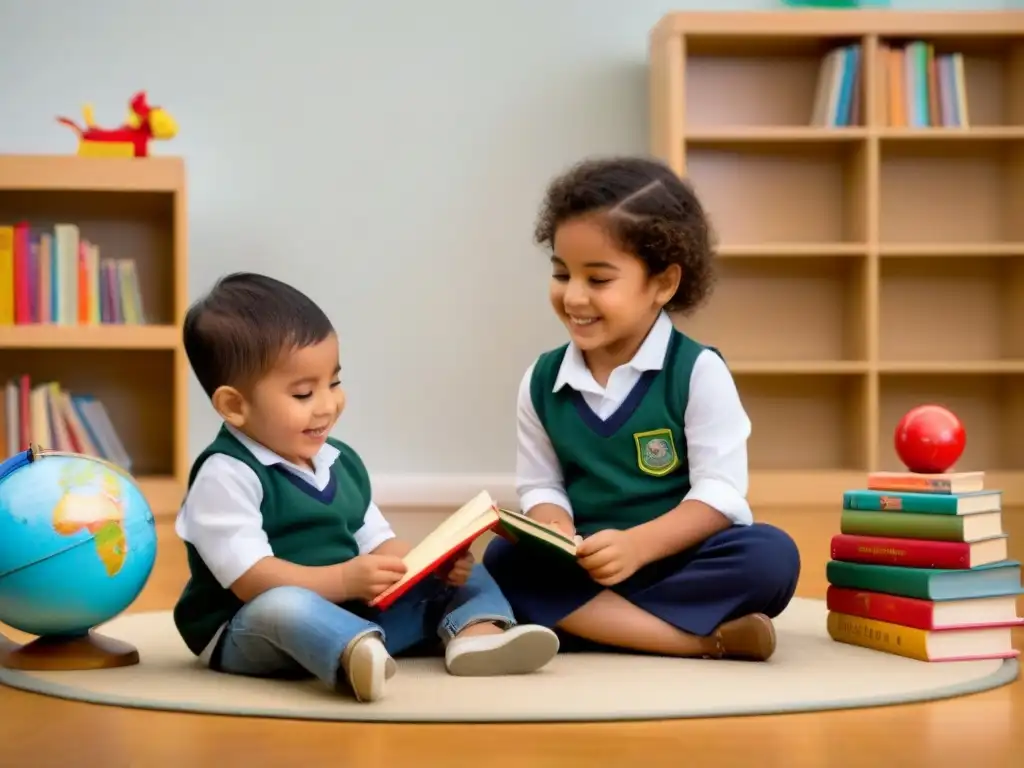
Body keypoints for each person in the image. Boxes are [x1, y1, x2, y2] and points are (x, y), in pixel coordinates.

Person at [172, 272, 559, 703]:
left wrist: (434, 561)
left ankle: (476, 634)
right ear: (234, 406)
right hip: (247, 628)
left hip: (348, 610)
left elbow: (379, 544)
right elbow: (252, 582)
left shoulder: (338, 460)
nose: (328, 404)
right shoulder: (225, 474)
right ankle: (351, 653)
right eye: (303, 394)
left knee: (473, 569)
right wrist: (342, 579)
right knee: (283, 607)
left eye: (333, 383)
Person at [482, 156, 801, 662]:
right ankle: (700, 640)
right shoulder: (541, 382)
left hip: (674, 558)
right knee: (502, 559)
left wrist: (639, 548)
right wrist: (555, 531)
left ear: (663, 284)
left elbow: (721, 493)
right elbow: (542, 484)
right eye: (562, 274)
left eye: (599, 279)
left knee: (771, 557)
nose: (574, 296)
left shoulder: (697, 372)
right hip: (585, 565)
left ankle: (591, 623)